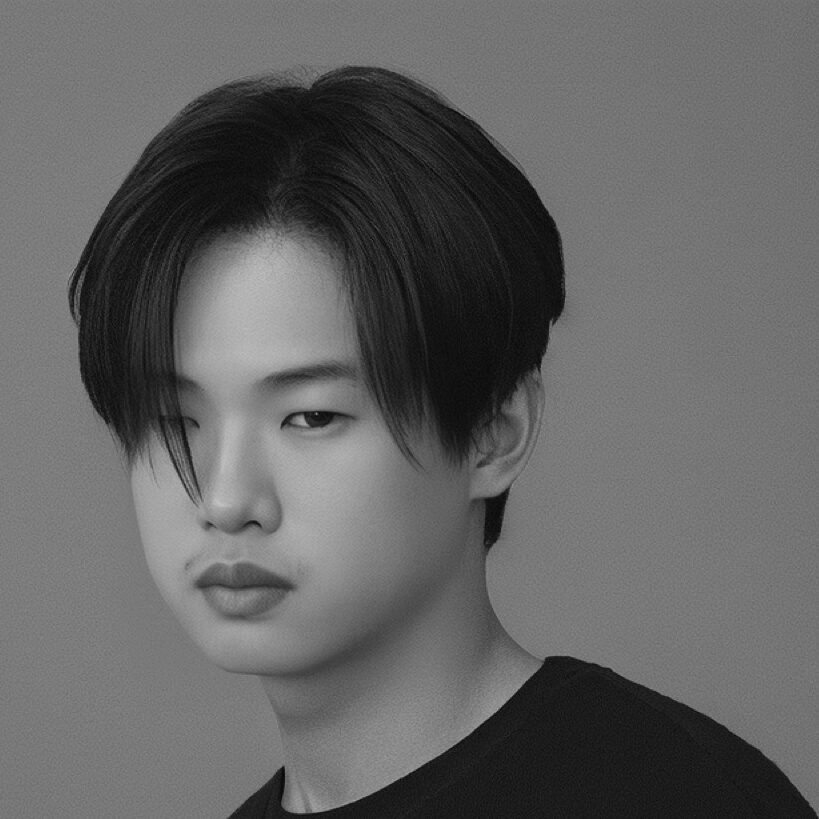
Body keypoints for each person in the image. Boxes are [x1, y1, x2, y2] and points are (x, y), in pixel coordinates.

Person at [68, 66, 814, 817]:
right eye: (173, 422)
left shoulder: (679, 796)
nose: (227, 499)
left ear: (493, 434)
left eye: (312, 417)